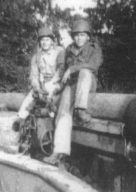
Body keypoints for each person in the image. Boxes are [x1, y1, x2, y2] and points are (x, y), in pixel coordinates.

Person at [44, 19, 103, 165]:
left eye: (82, 35)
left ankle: (81, 109)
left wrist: (72, 69)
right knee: (62, 114)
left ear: (88, 36)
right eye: (76, 35)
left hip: (88, 83)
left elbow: (94, 66)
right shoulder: (68, 50)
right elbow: (63, 70)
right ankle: (59, 152)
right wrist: (56, 86)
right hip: (71, 85)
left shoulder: (94, 48)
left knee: (84, 72)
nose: (79, 38)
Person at [14, 26, 65, 128]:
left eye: (47, 40)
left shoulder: (59, 52)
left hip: (56, 82)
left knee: (49, 96)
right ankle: (21, 118)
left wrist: (50, 84)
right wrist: (37, 87)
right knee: (32, 95)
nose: (45, 42)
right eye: (42, 40)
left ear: (52, 41)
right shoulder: (36, 56)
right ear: (39, 42)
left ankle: (52, 117)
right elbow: (33, 75)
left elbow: (61, 70)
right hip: (42, 84)